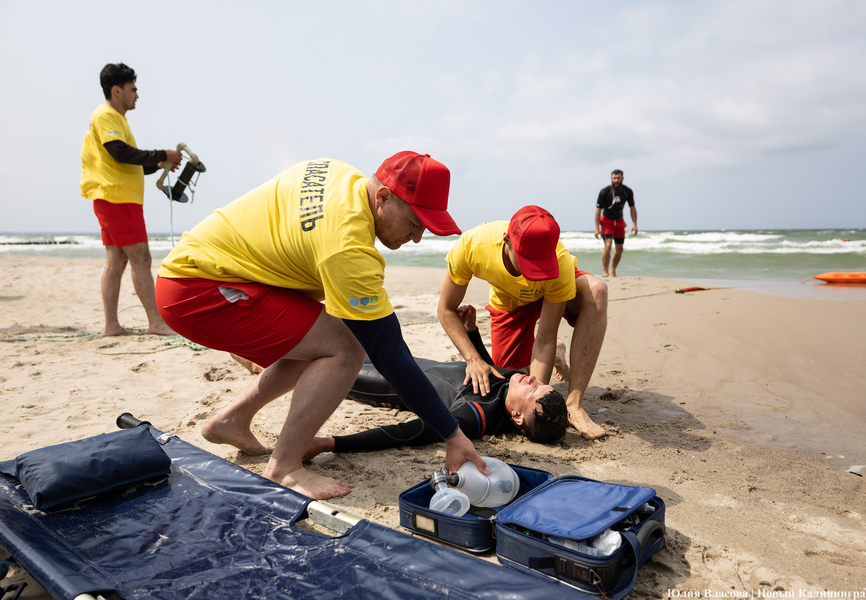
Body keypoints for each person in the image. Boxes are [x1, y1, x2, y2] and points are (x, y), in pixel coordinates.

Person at [155, 151, 488, 500]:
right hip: (198, 289)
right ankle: (285, 466)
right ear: (384, 197)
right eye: (415, 223)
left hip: (216, 270)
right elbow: (391, 356)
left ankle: (231, 421)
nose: (417, 238)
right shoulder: (347, 247)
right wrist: (453, 434)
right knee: (346, 348)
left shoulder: (339, 173)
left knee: (319, 339)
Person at [303, 306, 569, 460]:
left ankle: (266, 362)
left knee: (328, 365)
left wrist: (329, 443)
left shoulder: (476, 417)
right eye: (540, 383)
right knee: (346, 346)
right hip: (407, 360)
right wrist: (472, 332)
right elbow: (489, 368)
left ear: (517, 418)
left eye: (533, 390)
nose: (532, 378)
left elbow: (411, 432)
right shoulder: (513, 381)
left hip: (393, 381)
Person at [437, 206, 609, 440]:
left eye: (541, 264)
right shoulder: (472, 246)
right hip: (509, 303)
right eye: (529, 263)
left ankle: (575, 404)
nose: (534, 274)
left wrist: (541, 400)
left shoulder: (559, 263)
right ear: (507, 240)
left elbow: (545, 337)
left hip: (554, 292)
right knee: (510, 385)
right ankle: (557, 356)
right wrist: (472, 358)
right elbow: (446, 309)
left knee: (597, 291)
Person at [80, 63, 182, 336]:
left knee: (117, 262)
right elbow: (119, 153)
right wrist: (161, 152)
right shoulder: (105, 116)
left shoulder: (116, 119)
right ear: (117, 90)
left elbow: (129, 161)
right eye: (133, 89)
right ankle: (156, 323)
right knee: (141, 258)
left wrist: (160, 163)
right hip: (116, 198)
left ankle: (111, 326)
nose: (137, 95)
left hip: (114, 197)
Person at [593, 169, 638, 277]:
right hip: (606, 220)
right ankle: (605, 271)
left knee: (619, 249)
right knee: (608, 246)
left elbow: (632, 208)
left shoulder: (627, 191)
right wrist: (596, 227)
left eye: (618, 178)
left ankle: (612, 270)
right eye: (614, 178)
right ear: (611, 179)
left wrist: (634, 223)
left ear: (622, 178)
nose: (616, 180)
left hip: (619, 221)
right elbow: (598, 211)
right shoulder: (605, 192)